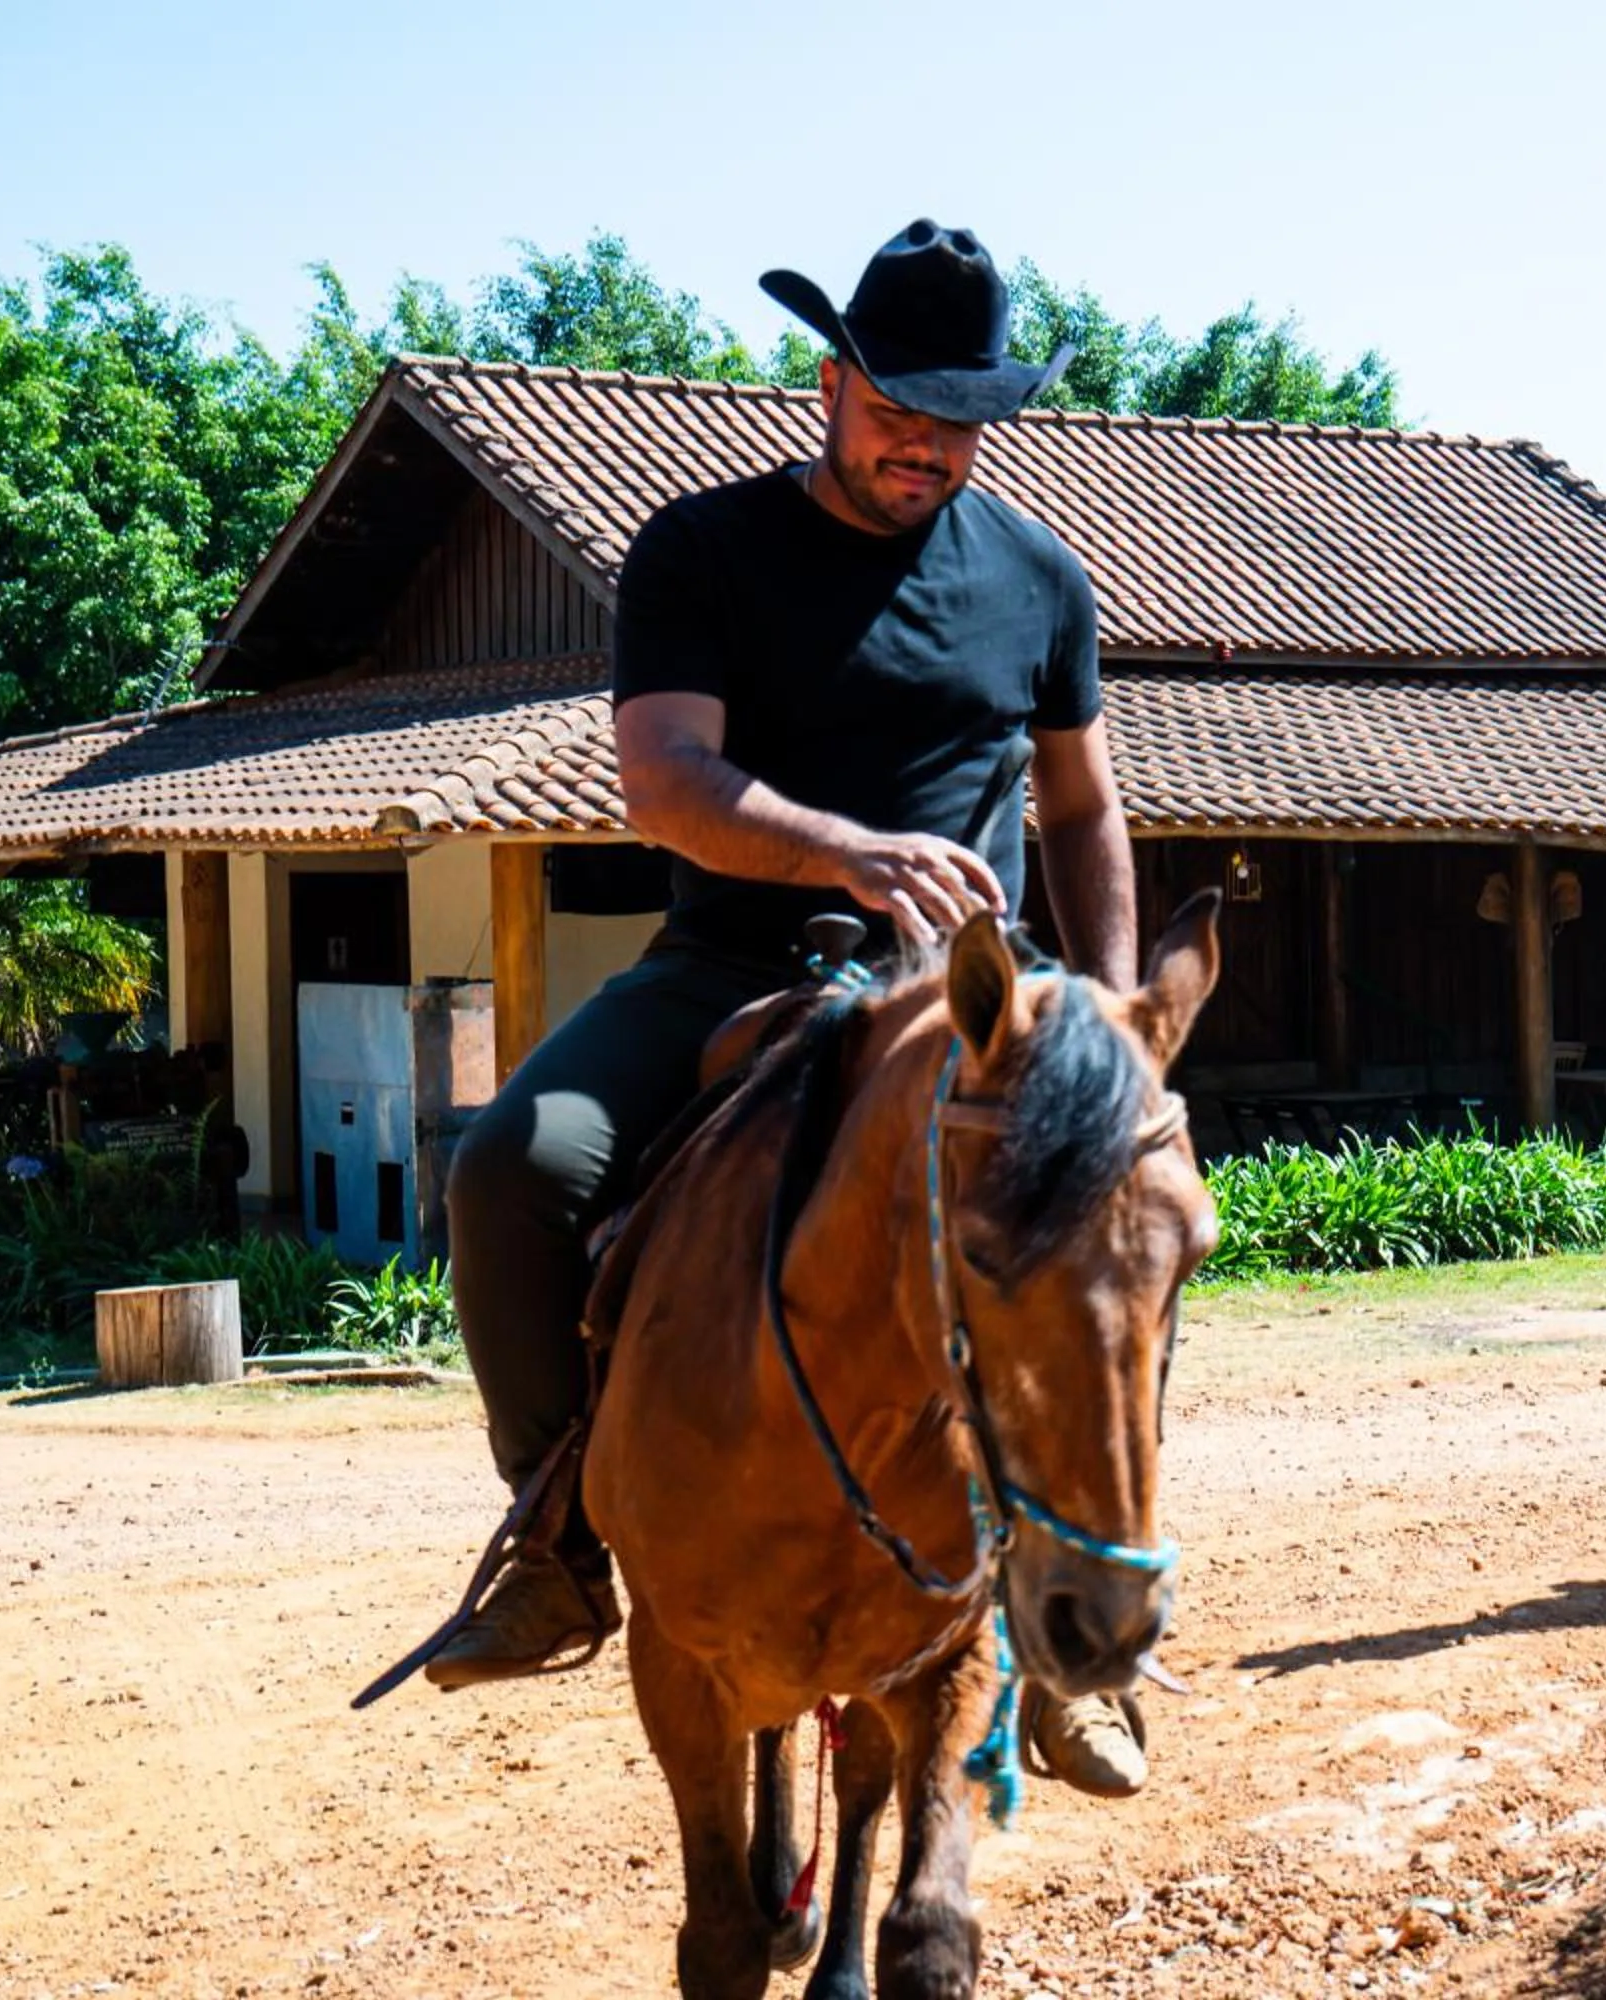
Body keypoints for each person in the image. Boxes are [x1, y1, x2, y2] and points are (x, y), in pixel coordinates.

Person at [423, 218, 1154, 1799]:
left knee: (1121, 1222)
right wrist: (847, 850)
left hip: (964, 1004)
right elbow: (665, 779)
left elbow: (1086, 808)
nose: (926, 447)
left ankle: (1077, 1633)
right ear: (831, 385)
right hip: (733, 966)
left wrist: (1103, 1015)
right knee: (512, 1167)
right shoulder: (701, 551)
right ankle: (554, 1549)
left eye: (960, 421)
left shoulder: (1039, 577)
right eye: (898, 411)